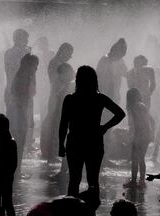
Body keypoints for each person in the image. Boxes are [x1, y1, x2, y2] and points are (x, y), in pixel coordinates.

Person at [59, 66, 125, 203]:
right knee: (93, 181)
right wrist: (104, 127)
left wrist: (61, 144)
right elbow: (120, 113)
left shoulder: (70, 99)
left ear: (78, 80)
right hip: (94, 142)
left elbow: (63, 124)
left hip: (74, 142)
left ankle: (72, 214)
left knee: (74, 180)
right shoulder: (99, 98)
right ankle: (91, 213)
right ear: (94, 80)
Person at [41, 43, 74, 161]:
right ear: (63, 51)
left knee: (55, 123)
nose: (69, 57)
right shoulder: (55, 63)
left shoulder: (59, 63)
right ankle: (49, 152)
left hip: (60, 96)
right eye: (69, 54)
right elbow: (56, 82)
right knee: (54, 124)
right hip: (56, 97)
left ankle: (50, 151)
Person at [9, 54, 39, 178]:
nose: (36, 69)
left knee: (19, 144)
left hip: (20, 112)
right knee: (18, 144)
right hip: (18, 113)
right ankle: (16, 171)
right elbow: (21, 100)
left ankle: (16, 170)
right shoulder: (22, 78)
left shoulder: (25, 77)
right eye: (35, 66)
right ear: (29, 65)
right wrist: (26, 117)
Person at [123, 88, 154, 188]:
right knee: (141, 159)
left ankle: (133, 181)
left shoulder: (133, 107)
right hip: (146, 135)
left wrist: (131, 138)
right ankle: (141, 181)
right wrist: (151, 133)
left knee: (135, 159)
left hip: (139, 135)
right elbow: (152, 120)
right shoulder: (142, 105)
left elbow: (134, 125)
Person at [4, 28, 31, 115]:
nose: (27, 41)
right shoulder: (10, 53)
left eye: (27, 39)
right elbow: (15, 70)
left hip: (24, 90)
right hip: (13, 91)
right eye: (25, 39)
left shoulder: (25, 52)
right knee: (13, 119)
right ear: (17, 39)